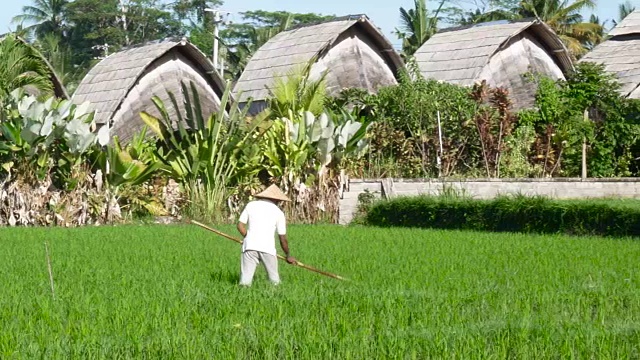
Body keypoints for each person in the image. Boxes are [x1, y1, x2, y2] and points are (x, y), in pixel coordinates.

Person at [236, 184, 297, 286]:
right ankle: (277, 298)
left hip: (249, 247)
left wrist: (248, 237)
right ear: (277, 200)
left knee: (245, 282)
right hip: (268, 249)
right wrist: (288, 255)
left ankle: (242, 297)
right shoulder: (278, 213)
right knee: (275, 281)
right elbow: (282, 238)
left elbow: (240, 226)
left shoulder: (251, 205)